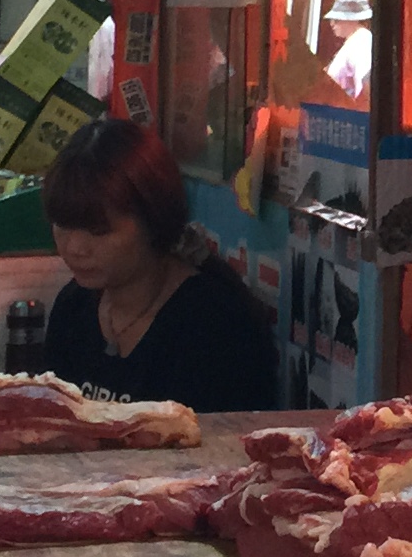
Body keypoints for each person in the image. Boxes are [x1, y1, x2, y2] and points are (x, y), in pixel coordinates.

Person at [40, 116, 280, 414]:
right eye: (63, 226)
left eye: (100, 231)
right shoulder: (74, 307)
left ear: (153, 220)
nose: (74, 248)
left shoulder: (215, 325)